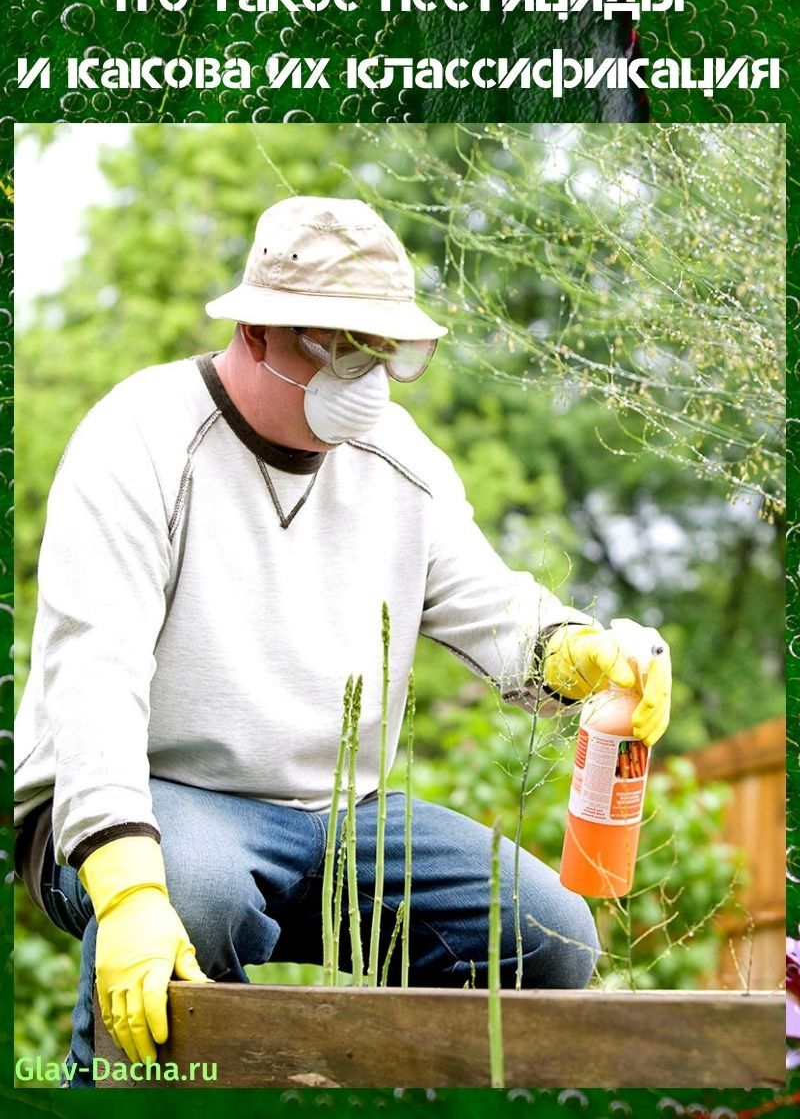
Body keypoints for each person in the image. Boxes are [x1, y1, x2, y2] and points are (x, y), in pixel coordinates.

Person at [14, 196, 671, 1086]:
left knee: (544, 936)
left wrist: (582, 652)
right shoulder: (142, 438)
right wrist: (128, 886)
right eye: (340, 346)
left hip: (336, 816)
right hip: (146, 804)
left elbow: (491, 608)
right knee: (190, 899)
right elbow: (93, 669)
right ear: (256, 332)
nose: (367, 376)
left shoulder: (399, 461)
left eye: (385, 352)